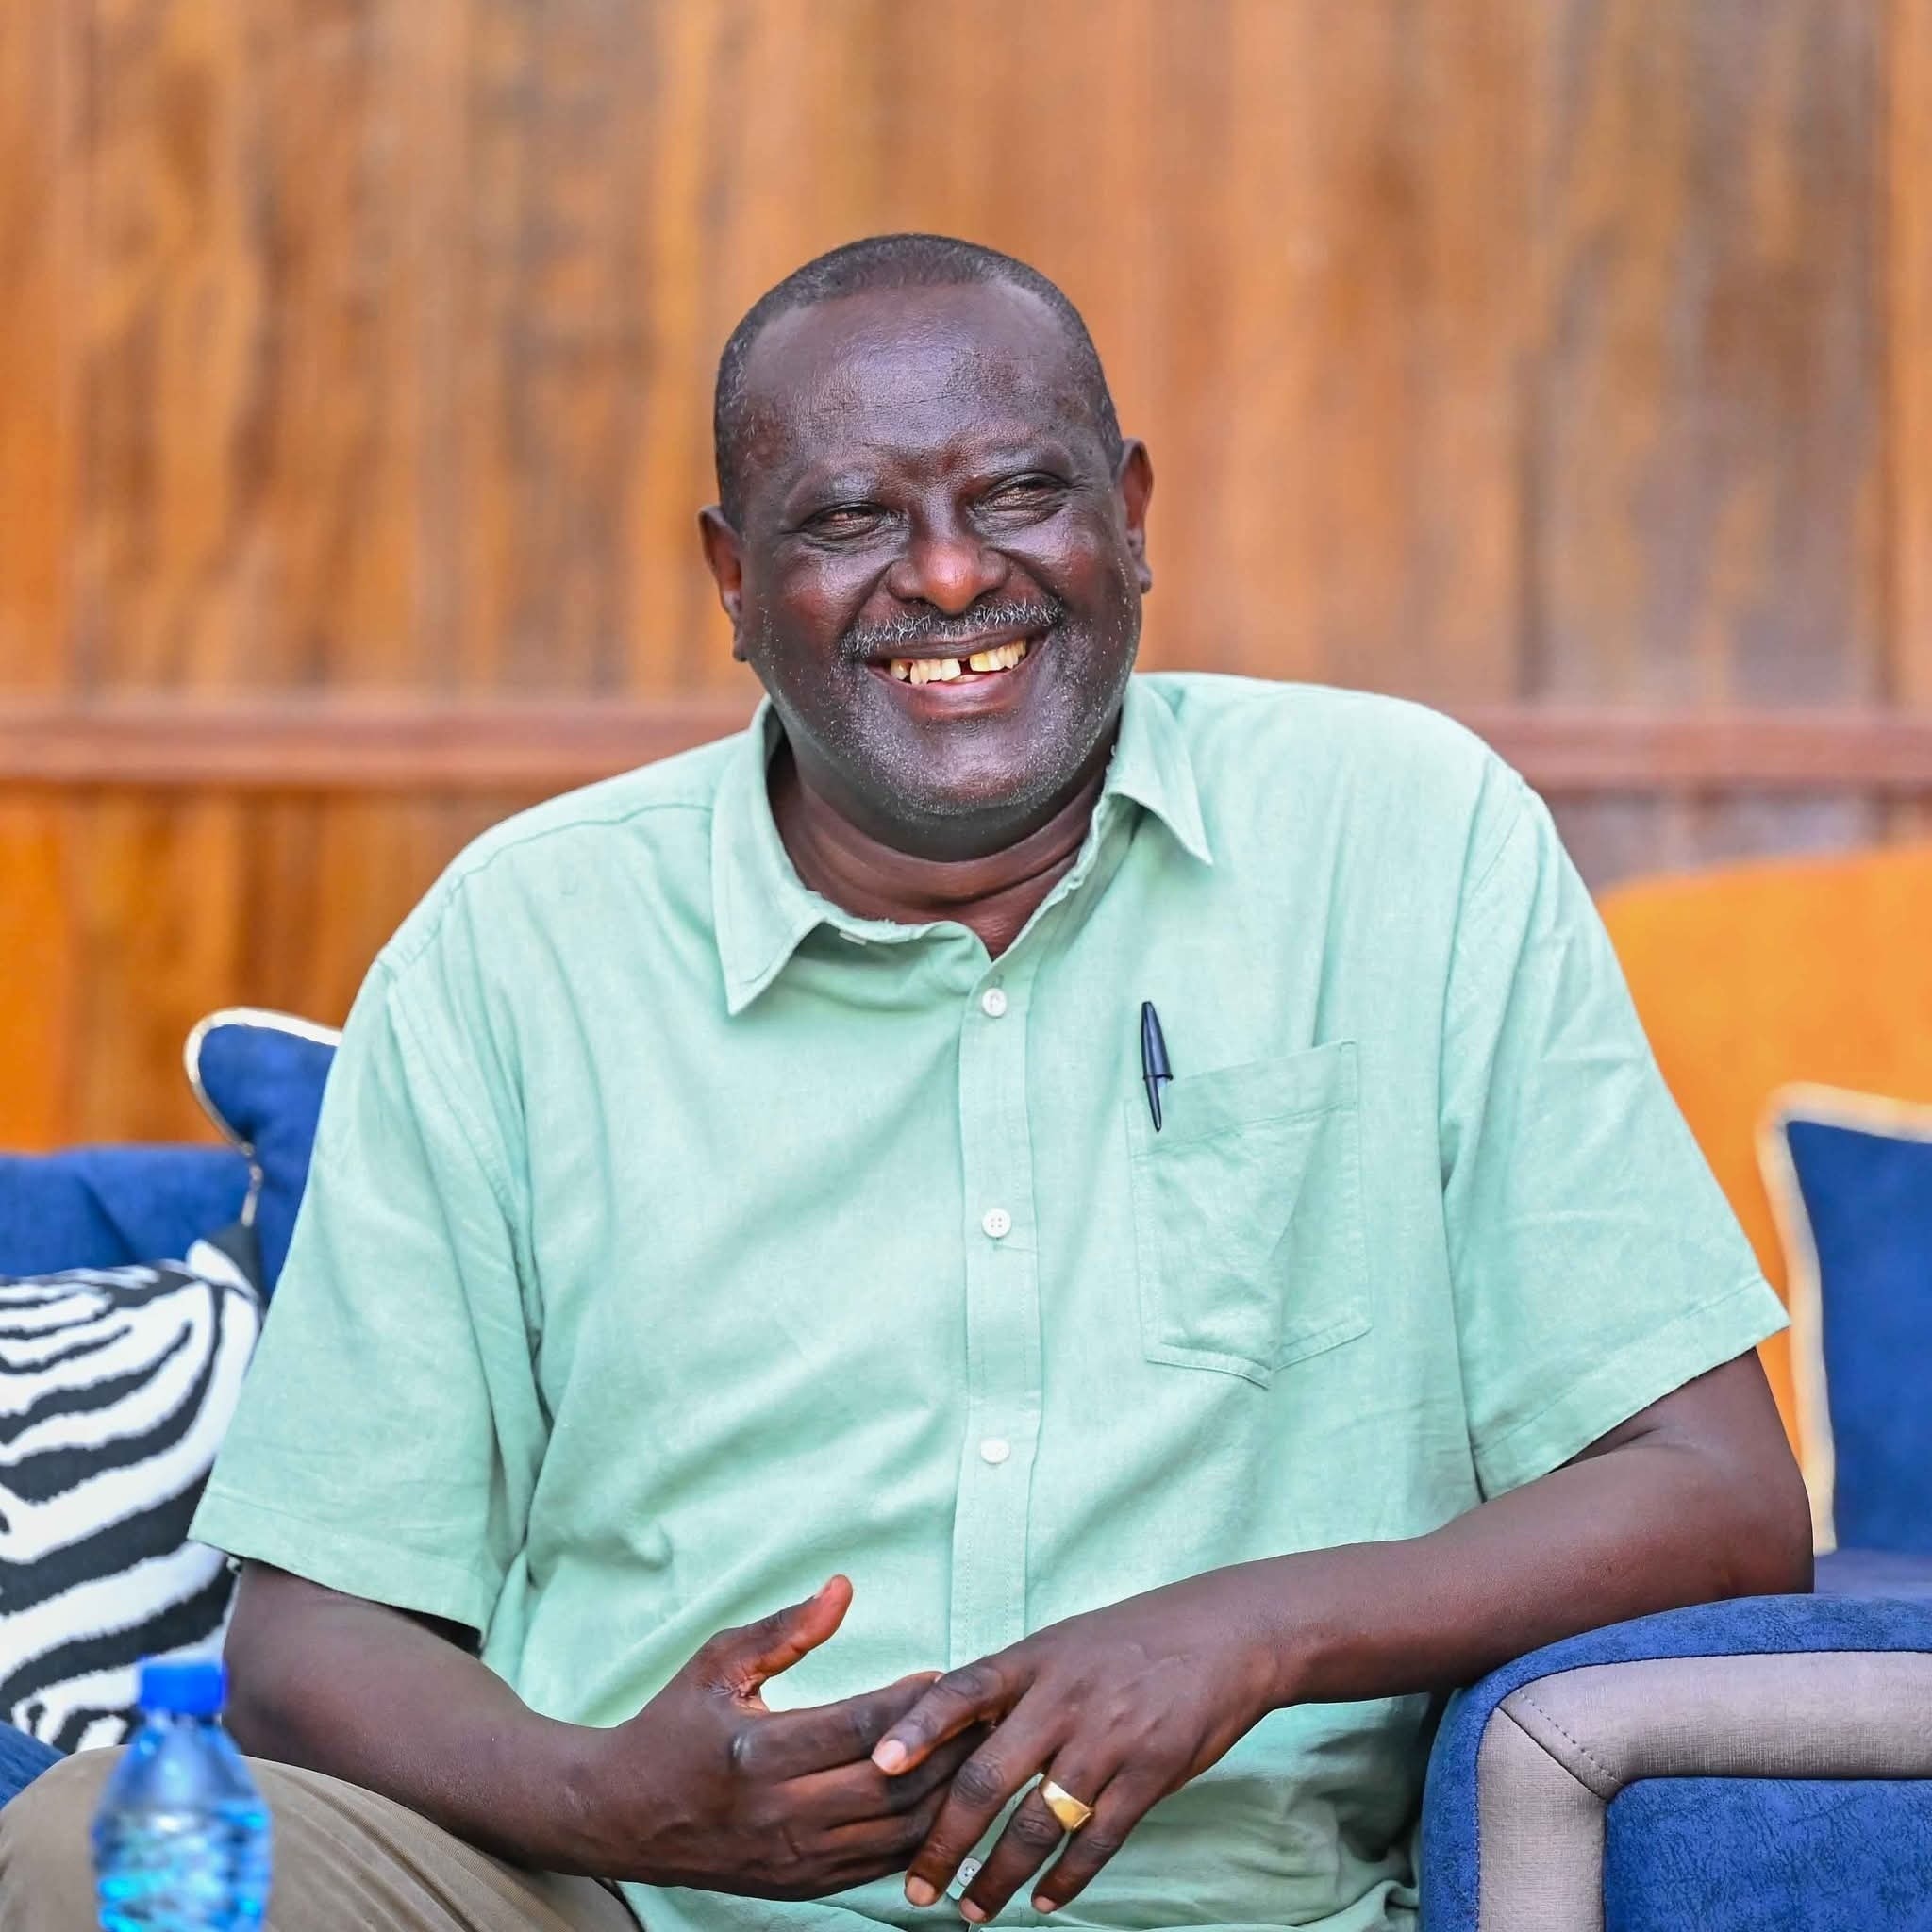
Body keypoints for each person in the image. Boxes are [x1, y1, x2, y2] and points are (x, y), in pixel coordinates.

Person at [0, 234, 1809, 1932]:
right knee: (90, 1849)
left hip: (1231, 1906)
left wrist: (1245, 1634)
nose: (948, 577)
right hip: (615, 1898)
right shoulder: (517, 944)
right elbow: (311, 1639)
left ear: (1133, 516)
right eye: (851, 517)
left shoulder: (1407, 837)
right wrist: (613, 1801)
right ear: (734, 581)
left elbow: (1717, 1495)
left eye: (1017, 493)